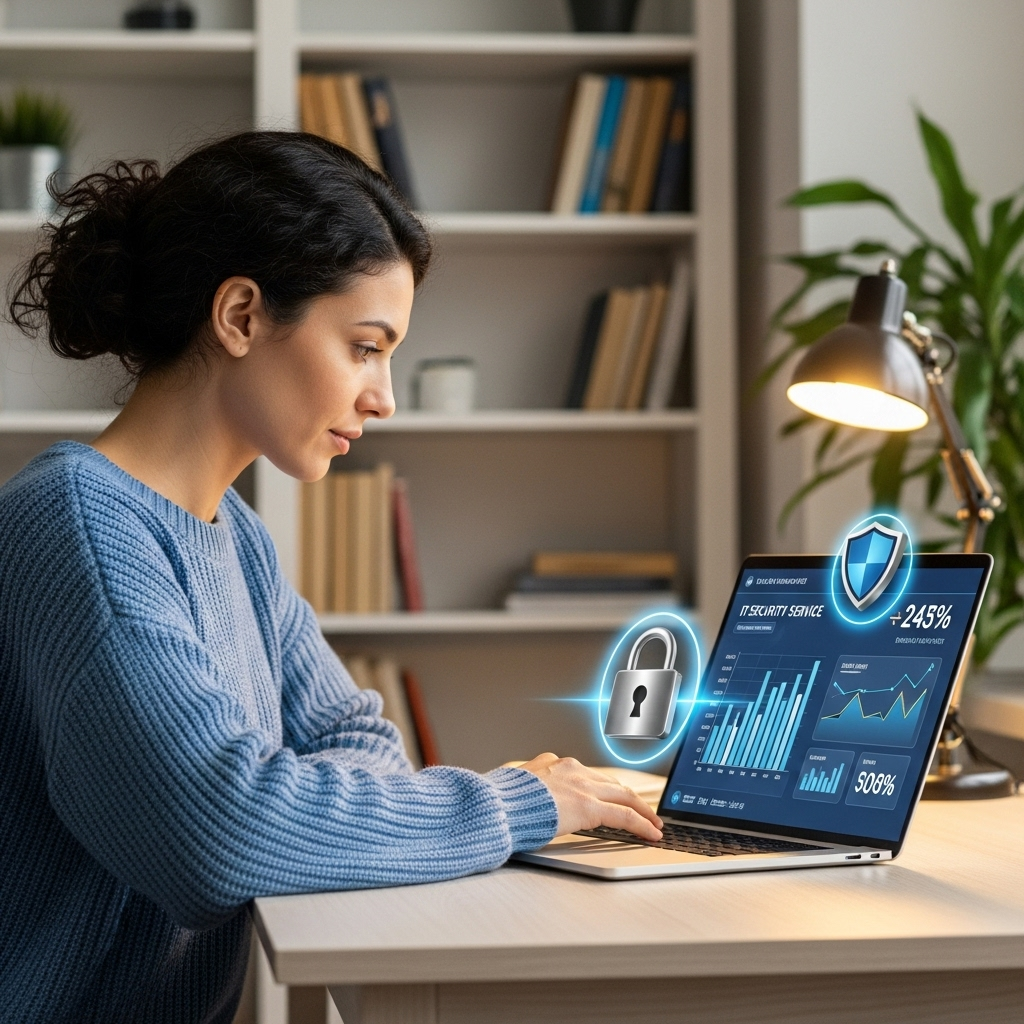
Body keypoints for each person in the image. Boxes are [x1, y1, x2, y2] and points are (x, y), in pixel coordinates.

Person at [0, 132, 662, 1024]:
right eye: (363, 346)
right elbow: (220, 833)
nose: (383, 396)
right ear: (241, 316)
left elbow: (360, 745)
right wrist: (519, 803)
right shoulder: (75, 527)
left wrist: (290, 802)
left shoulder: (234, 536)